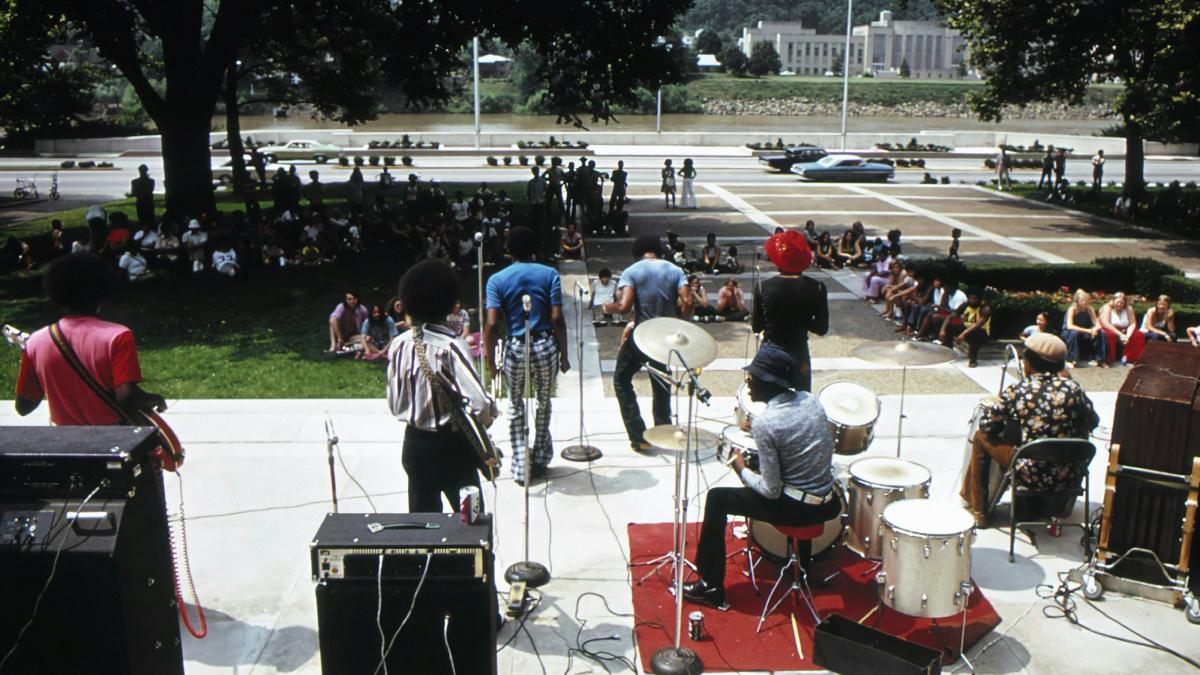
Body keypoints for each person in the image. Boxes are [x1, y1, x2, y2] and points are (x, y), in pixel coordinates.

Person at [682, 344, 841, 609]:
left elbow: (771, 490)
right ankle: (802, 571)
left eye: (752, 378)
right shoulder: (810, 401)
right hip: (827, 504)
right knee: (798, 480)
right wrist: (758, 428)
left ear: (769, 382)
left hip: (797, 510)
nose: (748, 382)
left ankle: (710, 587)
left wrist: (741, 468)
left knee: (717, 499)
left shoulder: (768, 424)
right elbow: (798, 438)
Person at [387, 259, 497, 512]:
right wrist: (489, 416)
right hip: (450, 447)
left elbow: (395, 404)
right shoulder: (451, 346)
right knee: (471, 521)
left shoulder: (400, 344)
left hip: (414, 443)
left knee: (423, 523)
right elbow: (480, 404)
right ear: (449, 303)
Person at [958, 333, 1099, 525]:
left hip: (1031, 474)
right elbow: (1093, 422)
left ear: (1029, 363)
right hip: (1069, 474)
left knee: (981, 437)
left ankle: (980, 511)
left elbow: (988, 425)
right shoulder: (1074, 389)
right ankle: (1057, 505)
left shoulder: (1019, 390)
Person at [15, 253, 167, 425]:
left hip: (66, 444)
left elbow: (24, 406)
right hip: (113, 440)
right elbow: (127, 397)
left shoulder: (36, 341)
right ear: (103, 292)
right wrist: (153, 398)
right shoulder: (118, 336)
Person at [483, 227, 570, 484]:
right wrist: (564, 355)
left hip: (516, 347)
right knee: (544, 401)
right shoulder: (549, 274)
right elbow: (556, 318)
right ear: (534, 249)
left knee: (515, 403)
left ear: (509, 250)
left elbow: (491, 325)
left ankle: (521, 468)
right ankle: (541, 458)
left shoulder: (497, 280)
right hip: (544, 345)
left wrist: (491, 363)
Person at [600, 235, 693, 451]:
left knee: (621, 380)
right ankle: (663, 430)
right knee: (661, 381)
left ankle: (638, 436)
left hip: (642, 334)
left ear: (638, 253)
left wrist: (607, 307)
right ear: (658, 252)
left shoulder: (632, 271)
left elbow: (624, 307)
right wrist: (682, 324)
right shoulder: (675, 270)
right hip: (666, 336)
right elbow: (688, 301)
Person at [753, 229, 829, 391]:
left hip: (771, 352)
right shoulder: (817, 288)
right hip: (798, 352)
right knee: (800, 404)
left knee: (768, 403)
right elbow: (822, 329)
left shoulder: (762, 287)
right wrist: (803, 320)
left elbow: (756, 327)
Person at [938, 291, 991, 367]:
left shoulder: (985, 308)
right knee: (949, 327)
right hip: (966, 328)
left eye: (975, 298)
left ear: (980, 299)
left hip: (982, 331)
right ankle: (948, 352)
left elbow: (978, 325)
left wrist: (963, 334)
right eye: (971, 298)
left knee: (976, 334)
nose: (972, 300)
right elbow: (950, 317)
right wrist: (942, 330)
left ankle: (973, 359)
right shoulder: (965, 305)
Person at [1061, 289, 1107, 367]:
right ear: (1078, 301)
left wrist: (1094, 330)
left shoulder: (1090, 309)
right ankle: (1071, 360)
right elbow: (1070, 326)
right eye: (1083, 300)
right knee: (1074, 333)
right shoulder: (1072, 309)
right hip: (1069, 332)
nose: (1085, 302)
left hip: (1084, 331)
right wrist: (1089, 330)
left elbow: (1097, 324)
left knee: (1101, 332)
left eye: (1087, 300)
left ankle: (1100, 359)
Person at [1099, 292, 1145, 364]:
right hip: (1111, 329)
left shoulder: (1129, 308)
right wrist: (1121, 335)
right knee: (1110, 335)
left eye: (1122, 303)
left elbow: (1132, 324)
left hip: (1125, 329)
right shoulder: (1107, 308)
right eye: (1117, 302)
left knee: (1139, 335)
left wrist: (1127, 336)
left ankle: (1130, 358)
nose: (1119, 304)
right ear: (1113, 301)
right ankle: (1109, 359)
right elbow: (1106, 324)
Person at [130, 164, 156, 229]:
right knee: (144, 218)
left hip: (145, 201)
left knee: (146, 218)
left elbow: (135, 192)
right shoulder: (150, 181)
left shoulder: (135, 182)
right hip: (145, 201)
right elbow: (148, 191)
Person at [526, 166, 547, 235]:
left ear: (538, 171)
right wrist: (529, 202)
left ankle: (541, 232)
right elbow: (528, 193)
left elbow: (546, 190)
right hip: (534, 202)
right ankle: (534, 232)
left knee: (541, 218)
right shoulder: (530, 182)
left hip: (541, 202)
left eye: (536, 171)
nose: (535, 172)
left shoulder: (542, 181)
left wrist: (544, 198)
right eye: (534, 171)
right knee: (534, 219)